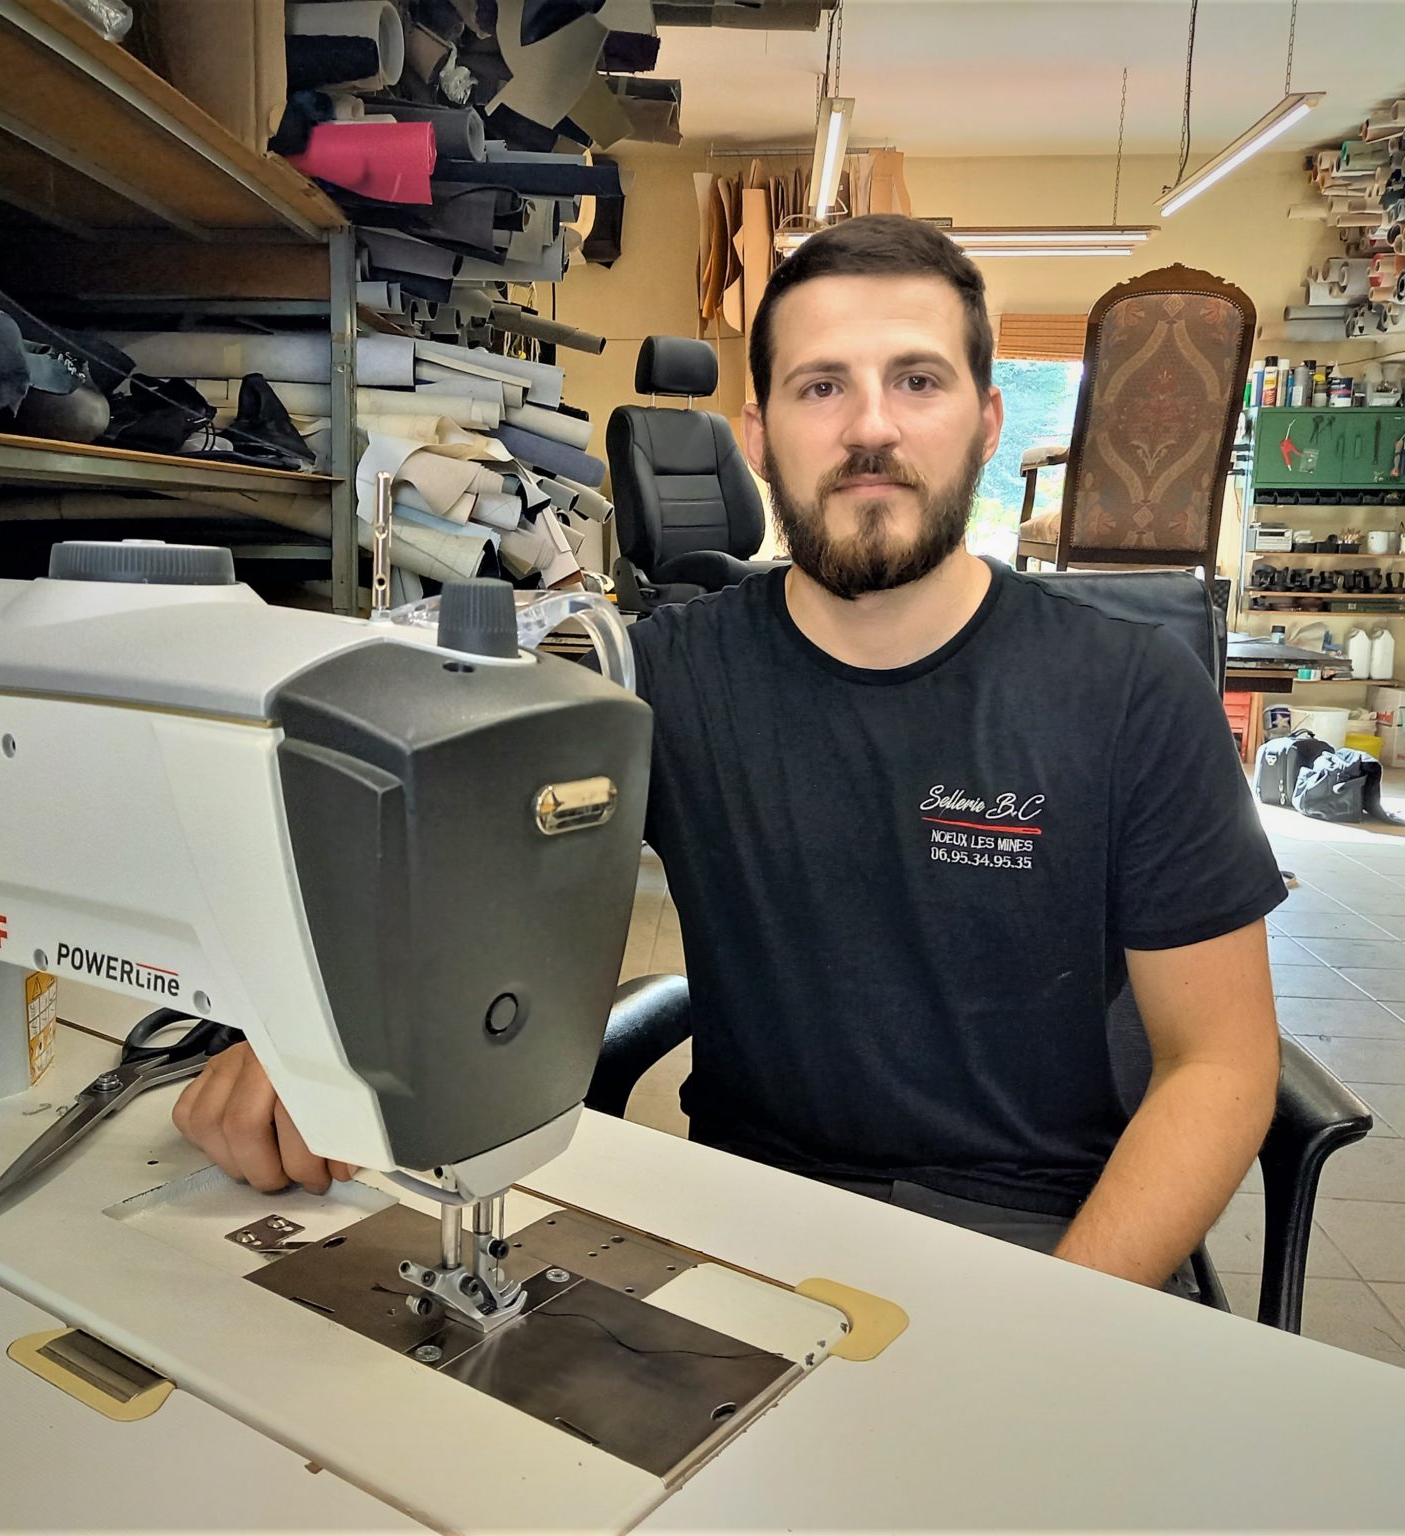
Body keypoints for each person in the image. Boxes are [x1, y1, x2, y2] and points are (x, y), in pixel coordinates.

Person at [174, 214, 1284, 1292]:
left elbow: (1221, 1065)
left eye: (917, 380)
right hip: (746, 1217)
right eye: (821, 387)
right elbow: (460, 871)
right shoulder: (662, 678)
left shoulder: (1129, 692)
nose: (870, 428)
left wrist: (1063, 1317)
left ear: (986, 421)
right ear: (758, 435)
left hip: (1034, 1230)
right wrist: (314, 1032)